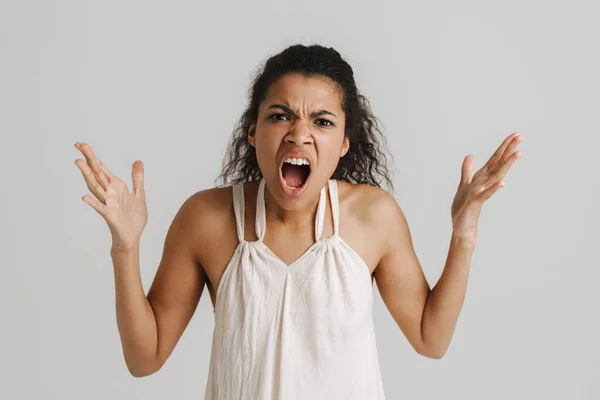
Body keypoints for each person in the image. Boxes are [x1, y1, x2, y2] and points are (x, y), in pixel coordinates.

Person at [74, 44, 523, 399]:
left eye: (322, 121)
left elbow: (431, 339)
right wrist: (125, 247)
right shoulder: (206, 219)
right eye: (279, 115)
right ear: (253, 132)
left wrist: (463, 237)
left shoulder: (374, 216)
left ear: (345, 142)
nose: (299, 132)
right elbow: (144, 357)